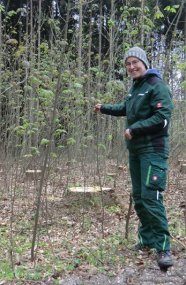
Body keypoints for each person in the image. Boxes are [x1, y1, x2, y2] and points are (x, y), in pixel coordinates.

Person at [94, 46, 174, 270]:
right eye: (128, 64)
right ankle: (147, 240)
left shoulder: (156, 86)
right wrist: (104, 108)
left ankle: (164, 247)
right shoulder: (135, 89)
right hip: (136, 152)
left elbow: (162, 118)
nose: (131, 67)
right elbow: (125, 108)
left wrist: (136, 128)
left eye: (135, 62)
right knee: (139, 197)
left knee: (151, 197)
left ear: (144, 63)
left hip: (153, 151)